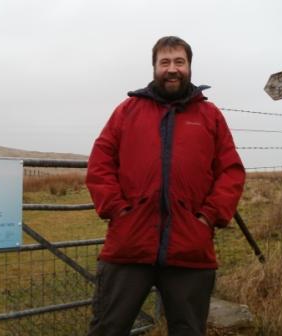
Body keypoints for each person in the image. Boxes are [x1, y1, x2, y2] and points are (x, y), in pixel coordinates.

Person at [85, 36, 245, 336]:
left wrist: (208, 217)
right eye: (165, 62)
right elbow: (100, 163)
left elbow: (231, 172)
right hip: (129, 246)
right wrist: (118, 210)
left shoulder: (210, 116)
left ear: (189, 67)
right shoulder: (127, 111)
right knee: (108, 328)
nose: (172, 69)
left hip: (190, 248)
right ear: (155, 67)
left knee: (188, 330)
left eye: (179, 62)